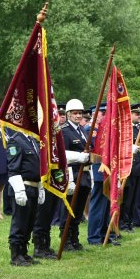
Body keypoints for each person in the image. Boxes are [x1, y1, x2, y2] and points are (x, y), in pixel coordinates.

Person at [6, 123, 46, 265]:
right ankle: (16, 255)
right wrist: (19, 190)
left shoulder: (33, 140)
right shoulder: (15, 140)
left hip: (33, 187)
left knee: (29, 222)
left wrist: (40, 187)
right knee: (20, 222)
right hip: (22, 187)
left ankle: (23, 252)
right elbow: (13, 167)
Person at [59, 99, 91, 251]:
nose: (78, 116)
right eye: (75, 113)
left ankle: (74, 238)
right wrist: (79, 156)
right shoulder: (64, 130)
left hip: (84, 174)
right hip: (71, 174)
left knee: (78, 210)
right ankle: (65, 240)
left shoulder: (82, 130)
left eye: (80, 113)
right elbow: (62, 154)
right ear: (69, 114)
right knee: (69, 208)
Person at [87, 103, 120, 246]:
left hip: (109, 171)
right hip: (99, 171)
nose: (106, 116)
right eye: (102, 113)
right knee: (98, 205)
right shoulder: (91, 129)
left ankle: (104, 235)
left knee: (107, 205)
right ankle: (94, 236)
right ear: (95, 114)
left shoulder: (106, 129)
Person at [118, 104, 140, 233]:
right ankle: (123, 223)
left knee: (132, 198)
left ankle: (128, 222)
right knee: (125, 198)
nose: (139, 116)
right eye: (136, 114)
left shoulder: (136, 129)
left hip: (135, 168)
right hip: (126, 167)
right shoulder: (125, 129)